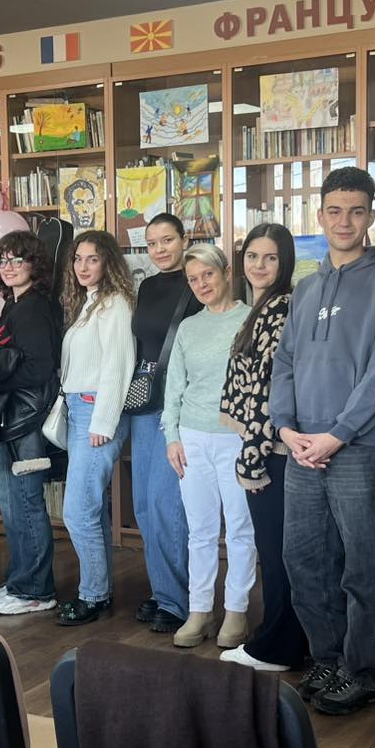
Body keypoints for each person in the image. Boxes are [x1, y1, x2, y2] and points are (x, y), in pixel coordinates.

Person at [272, 167, 375, 716]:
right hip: (301, 448)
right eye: (334, 211)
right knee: (303, 559)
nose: (344, 221)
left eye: (356, 211)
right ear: (321, 215)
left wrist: (338, 434)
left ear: (371, 217)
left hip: (358, 447)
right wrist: (286, 428)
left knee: (363, 564)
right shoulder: (306, 288)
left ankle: (364, 670)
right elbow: (284, 362)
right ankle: (327, 658)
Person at [218, 223, 308, 673]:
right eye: (252, 256)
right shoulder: (262, 307)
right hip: (265, 445)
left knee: (277, 555)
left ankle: (278, 647)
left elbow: (266, 392)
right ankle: (281, 638)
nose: (259, 265)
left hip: (272, 451)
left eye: (270, 257)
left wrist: (252, 460)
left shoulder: (281, 308)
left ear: (284, 262)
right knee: (276, 552)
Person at [162, 243, 255, 649]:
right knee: (199, 530)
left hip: (236, 438)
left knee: (240, 528)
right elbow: (174, 388)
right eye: (193, 279)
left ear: (226, 273)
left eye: (208, 275)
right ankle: (200, 610)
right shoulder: (188, 327)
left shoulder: (250, 319)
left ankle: (236, 610)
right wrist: (172, 436)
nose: (201, 284)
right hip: (192, 438)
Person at [55, 229, 136, 626]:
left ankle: (92, 595)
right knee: (90, 509)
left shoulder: (115, 303)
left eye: (92, 259)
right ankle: (99, 591)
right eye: (78, 259)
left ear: (108, 262)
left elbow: (118, 365)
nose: (83, 267)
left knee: (77, 510)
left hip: (96, 412)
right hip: (78, 409)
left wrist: (104, 420)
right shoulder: (88, 303)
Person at [126, 212, 202, 633]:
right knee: (143, 505)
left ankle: (178, 601)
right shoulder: (147, 286)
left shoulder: (196, 283)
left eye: (167, 240)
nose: (159, 249)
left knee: (167, 504)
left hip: (179, 404)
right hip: (145, 401)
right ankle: (162, 591)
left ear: (184, 239)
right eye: (152, 243)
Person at [0, 229, 64, 617]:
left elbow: (39, 368)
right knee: (11, 503)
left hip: (24, 420)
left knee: (26, 502)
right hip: (9, 417)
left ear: (36, 265)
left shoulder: (33, 307)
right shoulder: (12, 305)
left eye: (19, 260)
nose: (10, 267)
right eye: (4, 260)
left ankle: (36, 589)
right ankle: (20, 581)